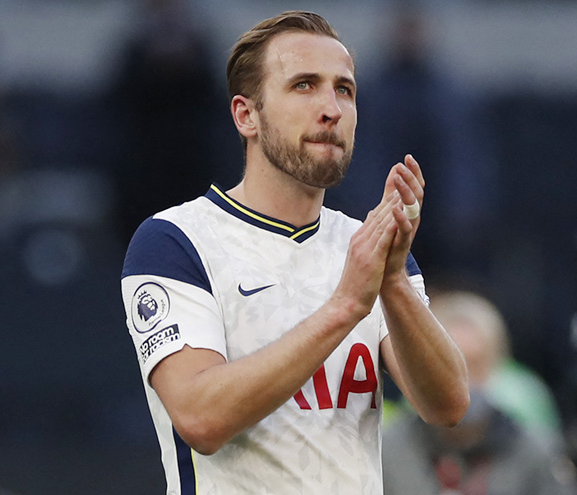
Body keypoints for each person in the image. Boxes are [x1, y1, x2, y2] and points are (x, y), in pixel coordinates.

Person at [120, 11, 469, 494]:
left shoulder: (369, 248)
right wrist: (345, 306)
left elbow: (448, 406)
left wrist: (392, 282)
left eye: (344, 90)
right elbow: (200, 418)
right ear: (246, 116)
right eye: (304, 86)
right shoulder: (176, 241)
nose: (331, 109)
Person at [382, 290, 577, 494]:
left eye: (475, 364)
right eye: (447, 366)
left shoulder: (534, 452)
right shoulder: (387, 450)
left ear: (497, 366)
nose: (464, 381)